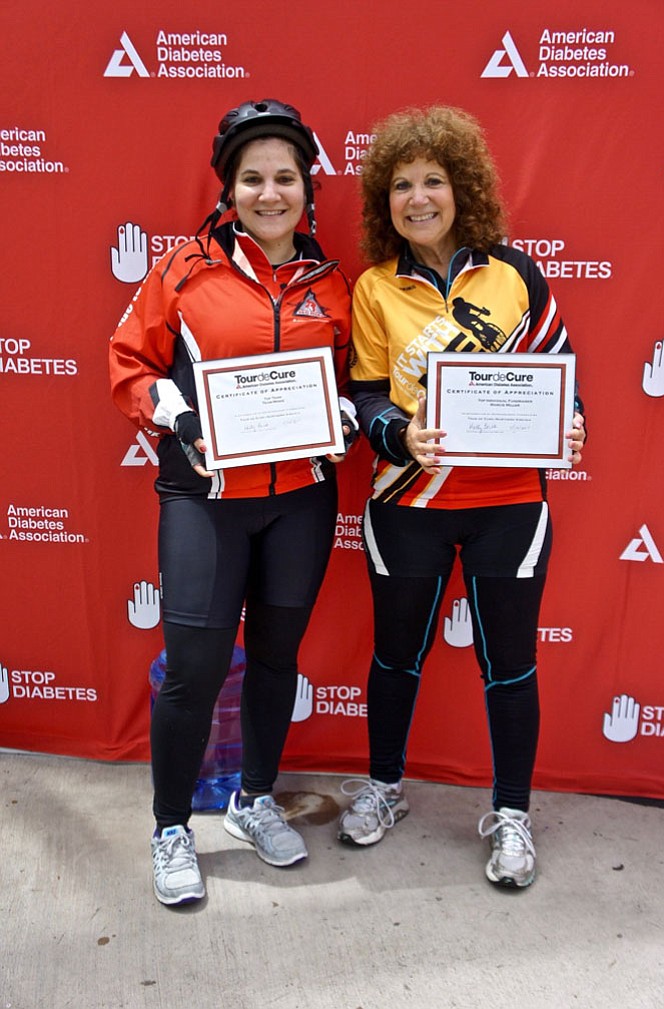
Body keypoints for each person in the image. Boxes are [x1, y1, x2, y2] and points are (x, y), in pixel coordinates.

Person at [109, 99, 355, 906]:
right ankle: (172, 826)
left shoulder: (331, 281)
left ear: (306, 188)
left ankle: (253, 800)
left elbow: (351, 380)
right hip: (206, 499)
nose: (270, 191)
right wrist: (173, 411)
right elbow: (127, 363)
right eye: (253, 177)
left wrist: (348, 414)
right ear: (230, 188)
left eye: (285, 176)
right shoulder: (184, 268)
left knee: (277, 659)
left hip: (301, 503)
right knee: (194, 669)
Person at [337, 104, 586, 888]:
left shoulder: (516, 274)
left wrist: (573, 425)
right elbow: (367, 395)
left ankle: (512, 813)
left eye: (433, 181)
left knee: (509, 663)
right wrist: (398, 436)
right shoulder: (375, 287)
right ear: (386, 200)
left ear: (461, 187)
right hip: (408, 502)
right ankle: (383, 787)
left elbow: (562, 375)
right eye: (402, 185)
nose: (418, 197)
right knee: (395, 655)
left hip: (509, 503)